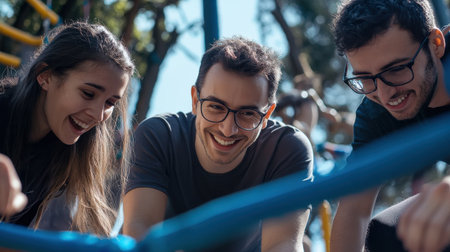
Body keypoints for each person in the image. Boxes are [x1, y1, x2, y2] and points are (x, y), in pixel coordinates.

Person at [123, 37, 314, 251]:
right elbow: (141, 234)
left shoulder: (286, 150)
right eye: (216, 107)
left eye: (247, 113)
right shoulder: (159, 136)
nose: (228, 129)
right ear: (195, 100)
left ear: (267, 114)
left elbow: (282, 246)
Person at [330, 0, 450, 252]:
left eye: (396, 69)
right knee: (384, 233)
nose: (385, 95)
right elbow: (354, 210)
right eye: (365, 78)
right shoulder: (376, 112)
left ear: (436, 44)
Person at [0, 22, 135, 236]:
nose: (99, 116)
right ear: (45, 75)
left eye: (109, 103)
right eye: (88, 94)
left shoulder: (60, 154)